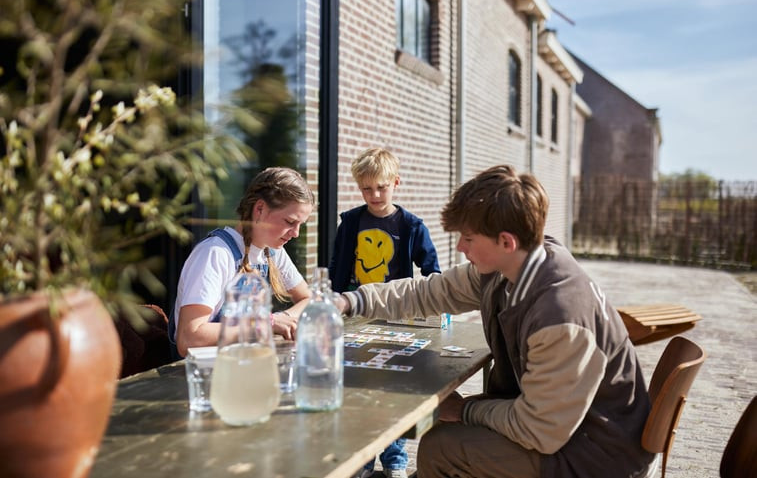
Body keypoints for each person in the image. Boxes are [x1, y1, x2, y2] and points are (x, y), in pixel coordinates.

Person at [336, 165, 657, 478]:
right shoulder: (513, 265)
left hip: (597, 453)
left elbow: (540, 430)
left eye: (468, 239)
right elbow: (431, 291)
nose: (460, 248)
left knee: (442, 448)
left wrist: (465, 410)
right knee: (437, 428)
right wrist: (352, 300)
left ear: (506, 241)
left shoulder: (560, 317)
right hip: (564, 424)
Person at [329, 147, 440, 478]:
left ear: (395, 182)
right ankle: (362, 458)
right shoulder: (350, 223)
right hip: (354, 315)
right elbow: (337, 266)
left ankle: (394, 459)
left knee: (390, 391)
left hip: (395, 317)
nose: (374, 195)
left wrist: (435, 309)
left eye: (381, 187)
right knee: (357, 387)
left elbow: (432, 270)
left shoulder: (411, 226)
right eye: (366, 188)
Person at [170, 167, 314, 358]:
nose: (296, 233)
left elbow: (307, 299)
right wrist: (265, 324)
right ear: (260, 209)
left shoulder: (272, 251)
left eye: (300, 225)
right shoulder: (215, 254)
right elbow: (189, 338)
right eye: (289, 221)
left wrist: (284, 319)